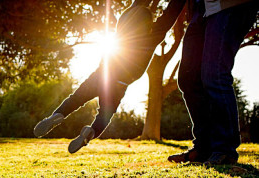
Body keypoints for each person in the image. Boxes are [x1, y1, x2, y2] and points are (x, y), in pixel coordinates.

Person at [34, 0, 186, 153]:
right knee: (104, 115)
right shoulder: (152, 35)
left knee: (76, 98)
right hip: (119, 83)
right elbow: (170, 14)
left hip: (101, 74)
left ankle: (57, 115)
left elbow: (138, 4)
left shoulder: (123, 26)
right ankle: (90, 133)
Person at [167, 0, 259, 165]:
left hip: (230, 5)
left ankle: (224, 149)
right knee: (188, 79)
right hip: (201, 10)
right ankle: (204, 147)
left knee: (214, 74)